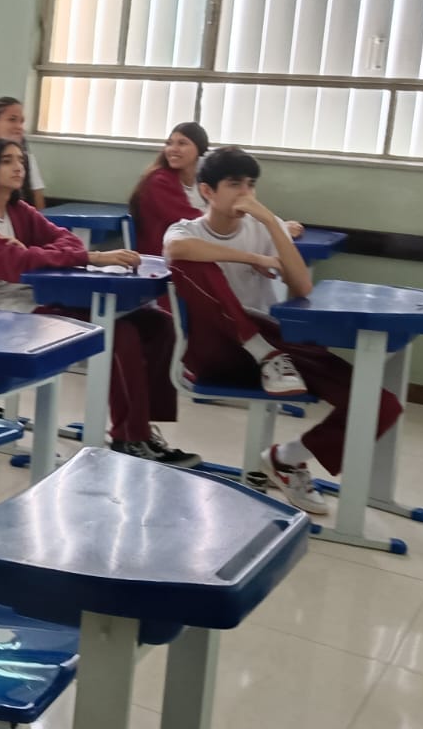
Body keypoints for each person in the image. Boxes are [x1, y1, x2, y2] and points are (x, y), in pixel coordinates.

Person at [164, 146, 398, 512]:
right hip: (217, 351)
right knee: (193, 263)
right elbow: (176, 249)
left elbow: (302, 287)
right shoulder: (186, 229)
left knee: (381, 404)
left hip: (278, 351)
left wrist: (272, 224)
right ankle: (262, 352)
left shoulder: (262, 225)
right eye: (235, 184)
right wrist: (253, 257)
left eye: (251, 184)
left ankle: (286, 459)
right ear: (207, 191)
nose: (246, 193)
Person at [0, 137, 196, 466]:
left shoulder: (19, 211)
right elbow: (13, 264)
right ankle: (128, 438)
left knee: (157, 323)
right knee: (119, 335)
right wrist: (88, 256)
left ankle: (143, 429)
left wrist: (39, 253)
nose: (18, 167)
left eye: (20, 160)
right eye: (7, 160)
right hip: (0, 315)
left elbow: (66, 240)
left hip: (39, 298)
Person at [131, 123, 302, 256]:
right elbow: (195, 223)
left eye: (182, 143)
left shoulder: (203, 178)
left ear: (199, 149)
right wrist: (276, 229)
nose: (172, 149)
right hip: (166, 257)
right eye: (169, 143)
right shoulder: (159, 181)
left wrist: (273, 226)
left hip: (203, 248)